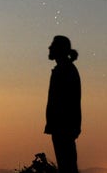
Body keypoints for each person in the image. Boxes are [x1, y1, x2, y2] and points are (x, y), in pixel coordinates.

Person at [45, 35, 81, 173]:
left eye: (53, 45)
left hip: (64, 127)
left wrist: (70, 127)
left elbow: (70, 101)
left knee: (67, 167)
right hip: (63, 127)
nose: (49, 48)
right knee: (67, 165)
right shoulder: (64, 69)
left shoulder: (66, 71)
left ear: (60, 49)